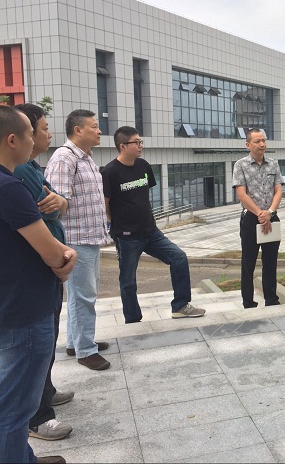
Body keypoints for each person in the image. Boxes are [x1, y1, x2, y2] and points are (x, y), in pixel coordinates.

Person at [0, 105, 77, 464]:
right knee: (17, 408)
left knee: (10, 398)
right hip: (25, 310)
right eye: (31, 133)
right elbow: (52, 253)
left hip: (9, 305)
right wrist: (66, 256)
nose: (35, 140)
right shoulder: (9, 188)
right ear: (12, 140)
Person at [101, 126, 205, 323]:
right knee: (128, 280)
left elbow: (143, 197)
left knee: (179, 258)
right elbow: (105, 204)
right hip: (127, 236)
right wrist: (115, 227)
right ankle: (133, 319)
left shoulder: (143, 166)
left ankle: (180, 306)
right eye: (136, 142)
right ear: (123, 146)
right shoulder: (110, 172)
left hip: (151, 232)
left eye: (141, 141)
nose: (140, 145)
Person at [45, 110, 110, 371]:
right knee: (83, 296)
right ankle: (86, 350)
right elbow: (56, 202)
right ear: (78, 130)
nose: (99, 131)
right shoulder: (65, 158)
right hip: (75, 239)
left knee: (81, 295)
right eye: (94, 126)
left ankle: (76, 342)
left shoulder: (86, 158)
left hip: (90, 237)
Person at [231, 128, 283, 308]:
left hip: (271, 216)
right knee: (248, 263)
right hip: (251, 219)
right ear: (248, 145)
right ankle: (248, 302)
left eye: (264, 140)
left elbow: (278, 190)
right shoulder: (240, 165)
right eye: (257, 141)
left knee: (271, 262)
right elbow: (242, 195)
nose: (262, 144)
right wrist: (261, 214)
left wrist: (270, 212)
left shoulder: (273, 164)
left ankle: (271, 299)